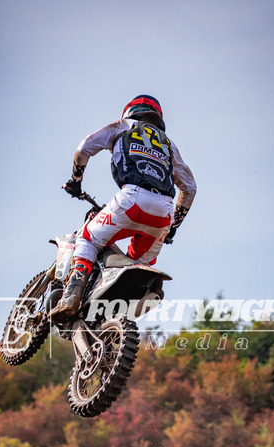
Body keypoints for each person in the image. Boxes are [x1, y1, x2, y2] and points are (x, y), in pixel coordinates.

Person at [49, 94, 197, 322]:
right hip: (163, 213)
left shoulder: (123, 126)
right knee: (137, 265)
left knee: (87, 239)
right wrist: (173, 227)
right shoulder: (168, 144)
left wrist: (75, 180)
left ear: (130, 110)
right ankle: (111, 317)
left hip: (131, 198)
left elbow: (84, 147)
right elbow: (189, 188)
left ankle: (71, 297)